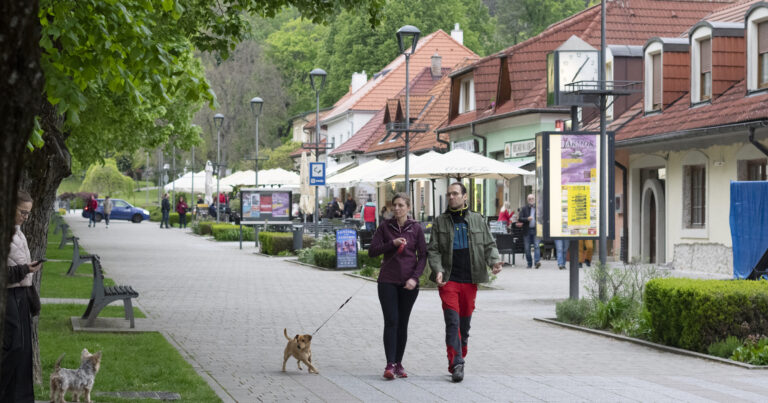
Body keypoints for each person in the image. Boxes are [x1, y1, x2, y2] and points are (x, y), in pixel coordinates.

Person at [427, 182, 502, 383]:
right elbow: (433, 250)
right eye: (449, 194)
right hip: (449, 279)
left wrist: (494, 261)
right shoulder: (440, 221)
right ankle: (457, 363)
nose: (451, 197)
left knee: (464, 325)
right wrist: (438, 270)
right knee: (452, 322)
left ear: (465, 196)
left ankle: (459, 350)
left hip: (470, 278)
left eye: (455, 193)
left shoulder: (477, 219)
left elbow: (488, 244)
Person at [368, 193, 426, 380]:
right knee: (391, 321)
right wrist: (391, 244)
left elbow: (423, 256)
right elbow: (372, 251)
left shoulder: (416, 228)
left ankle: (399, 363)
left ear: (408, 208)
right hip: (387, 281)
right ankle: (389, 364)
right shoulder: (385, 227)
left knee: (402, 323)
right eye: (395, 205)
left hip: (409, 283)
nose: (397, 208)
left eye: (401, 205)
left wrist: (415, 278)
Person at [2, 190, 43, 402]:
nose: (26, 217)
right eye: (23, 212)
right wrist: (25, 269)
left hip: (20, 297)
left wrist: (31, 297)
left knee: (24, 351)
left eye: (28, 213)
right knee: (14, 347)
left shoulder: (19, 233)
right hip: (7, 298)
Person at [517, 194, 541, 269]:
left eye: (532, 198)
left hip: (536, 230)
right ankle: (529, 263)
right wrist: (527, 219)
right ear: (527, 200)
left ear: (535, 199)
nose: (531, 200)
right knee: (527, 248)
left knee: (537, 246)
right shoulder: (524, 208)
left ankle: (537, 262)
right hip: (527, 230)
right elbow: (520, 218)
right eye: (529, 199)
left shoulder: (538, 208)